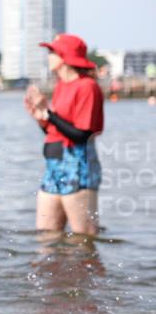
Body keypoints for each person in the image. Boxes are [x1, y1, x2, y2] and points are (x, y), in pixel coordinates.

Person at [24, 34, 104, 237]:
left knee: (84, 236)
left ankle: (88, 269)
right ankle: (54, 269)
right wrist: (41, 116)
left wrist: (49, 113)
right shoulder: (60, 86)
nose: (48, 56)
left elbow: (82, 134)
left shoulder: (87, 86)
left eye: (52, 52)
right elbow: (57, 131)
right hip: (54, 163)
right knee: (46, 235)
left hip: (77, 164)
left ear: (65, 57)